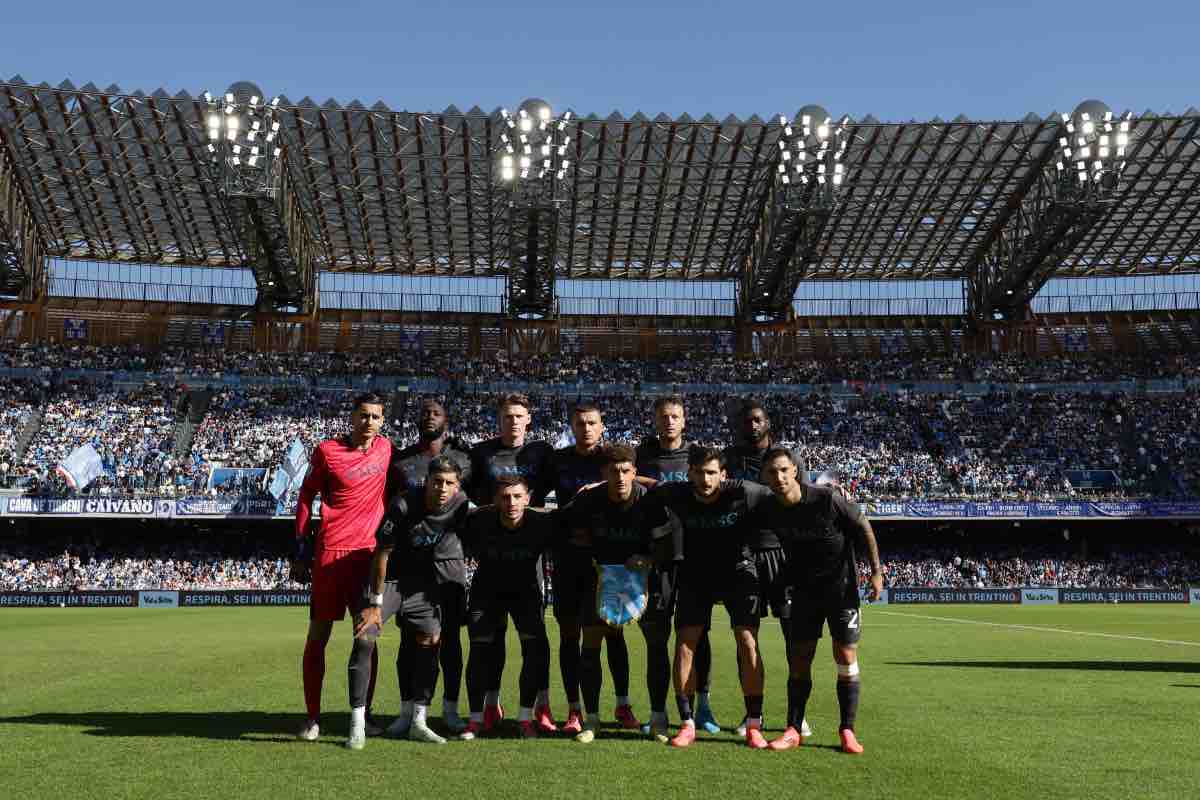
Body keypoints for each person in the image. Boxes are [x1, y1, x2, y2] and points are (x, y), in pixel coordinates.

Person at [757, 446, 883, 754]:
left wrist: (876, 572)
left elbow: (863, 525)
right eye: (772, 472)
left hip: (842, 591)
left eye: (784, 470)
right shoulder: (769, 509)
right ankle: (792, 729)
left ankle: (847, 731)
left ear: (795, 472)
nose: (779, 477)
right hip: (803, 593)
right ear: (765, 477)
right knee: (800, 659)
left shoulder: (827, 500)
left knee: (845, 655)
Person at [651, 446, 773, 749]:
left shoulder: (744, 491)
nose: (705, 479)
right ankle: (687, 722)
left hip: (738, 571)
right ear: (689, 473)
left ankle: (754, 724)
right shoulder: (676, 494)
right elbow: (645, 487)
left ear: (723, 474)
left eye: (711, 473)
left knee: (748, 641)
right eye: (699, 472)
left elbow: (782, 494)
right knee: (685, 643)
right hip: (696, 575)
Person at [348, 455, 471, 748]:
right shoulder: (402, 505)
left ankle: (418, 720)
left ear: (457, 486)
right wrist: (375, 603)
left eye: (449, 483)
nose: (442, 488)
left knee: (431, 641)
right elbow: (382, 554)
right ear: (426, 481)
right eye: (436, 481)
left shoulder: (461, 504)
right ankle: (357, 723)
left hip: (422, 585)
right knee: (365, 638)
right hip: (389, 581)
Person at [293, 392, 392, 744]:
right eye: (363, 415)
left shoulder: (385, 450)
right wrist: (301, 547)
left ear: (383, 421)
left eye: (376, 416)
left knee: (368, 638)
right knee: (318, 637)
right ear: (352, 417)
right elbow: (306, 495)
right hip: (330, 556)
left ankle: (365, 715)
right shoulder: (327, 452)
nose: (369, 422)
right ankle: (312, 718)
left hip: (366, 559)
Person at [560, 443, 675, 743]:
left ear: (635, 472)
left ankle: (659, 719)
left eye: (626, 471)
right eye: (614, 471)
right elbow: (569, 531)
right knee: (592, 644)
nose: (620, 477)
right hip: (600, 581)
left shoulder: (650, 500)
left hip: (646, 581)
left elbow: (668, 544)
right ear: (603, 474)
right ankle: (592, 720)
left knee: (656, 644)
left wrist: (648, 560)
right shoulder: (589, 500)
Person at [467, 393, 557, 732]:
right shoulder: (482, 453)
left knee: (535, 640)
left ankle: (539, 707)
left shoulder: (541, 453)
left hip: (527, 558)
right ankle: (490, 705)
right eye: (507, 416)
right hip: (494, 549)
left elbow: (558, 489)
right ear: (499, 419)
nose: (514, 421)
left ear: (528, 419)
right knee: (490, 639)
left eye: (519, 416)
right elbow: (470, 494)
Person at [722, 399, 810, 738]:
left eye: (757, 420)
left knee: (794, 637)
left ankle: (796, 715)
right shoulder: (730, 458)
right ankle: (752, 714)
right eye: (746, 421)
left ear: (768, 423)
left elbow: (804, 500)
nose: (752, 426)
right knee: (746, 638)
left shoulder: (789, 459)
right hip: (743, 554)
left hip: (784, 555)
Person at [634, 395, 720, 734]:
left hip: (694, 558)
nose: (669, 421)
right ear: (656, 420)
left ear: (684, 421)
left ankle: (704, 706)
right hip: (656, 560)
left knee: (699, 636)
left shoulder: (697, 455)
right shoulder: (642, 455)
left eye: (675, 416)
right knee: (656, 639)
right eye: (664, 416)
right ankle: (657, 712)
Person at [551, 403, 638, 736]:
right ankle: (574, 709)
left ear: (602, 426)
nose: (586, 428)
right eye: (579, 423)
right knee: (570, 635)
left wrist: (596, 488)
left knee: (614, 632)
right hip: (568, 560)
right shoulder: (558, 460)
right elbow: (532, 494)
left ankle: (623, 704)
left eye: (592, 423)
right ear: (571, 426)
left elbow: (637, 478)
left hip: (606, 563)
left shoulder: (612, 458)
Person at [390, 398, 472, 731]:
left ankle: (449, 709)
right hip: (411, 566)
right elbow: (393, 510)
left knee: (450, 641)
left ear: (446, 420)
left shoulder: (465, 460)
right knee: (409, 641)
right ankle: (406, 711)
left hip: (449, 563)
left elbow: (470, 505)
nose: (429, 417)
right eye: (424, 413)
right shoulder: (402, 462)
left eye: (436, 413)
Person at [459, 474, 560, 740]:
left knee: (534, 650)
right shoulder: (478, 522)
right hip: (486, 592)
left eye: (517, 496)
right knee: (480, 651)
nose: (511, 503)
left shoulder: (542, 523)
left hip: (525, 594)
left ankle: (525, 718)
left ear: (528, 499)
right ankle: (476, 719)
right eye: (505, 497)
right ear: (494, 502)